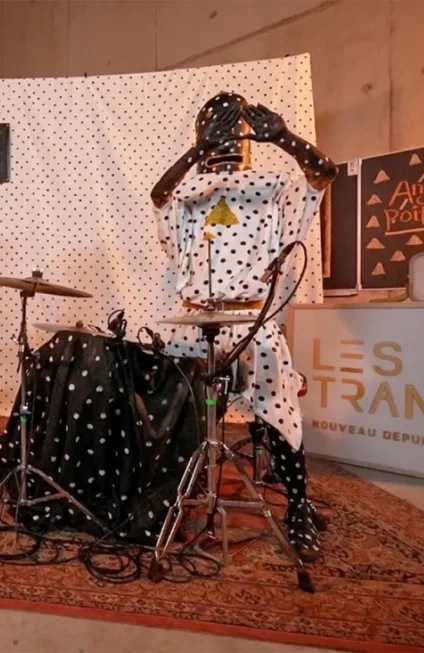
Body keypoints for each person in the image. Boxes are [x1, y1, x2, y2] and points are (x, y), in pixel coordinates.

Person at [151, 92, 337, 561]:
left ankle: (298, 506)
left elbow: (322, 173)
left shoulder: (273, 189)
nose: (223, 140)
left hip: (252, 318)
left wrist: (285, 138)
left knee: (278, 409)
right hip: (193, 319)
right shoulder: (187, 196)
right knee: (170, 409)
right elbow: (159, 197)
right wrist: (196, 153)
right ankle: (165, 497)